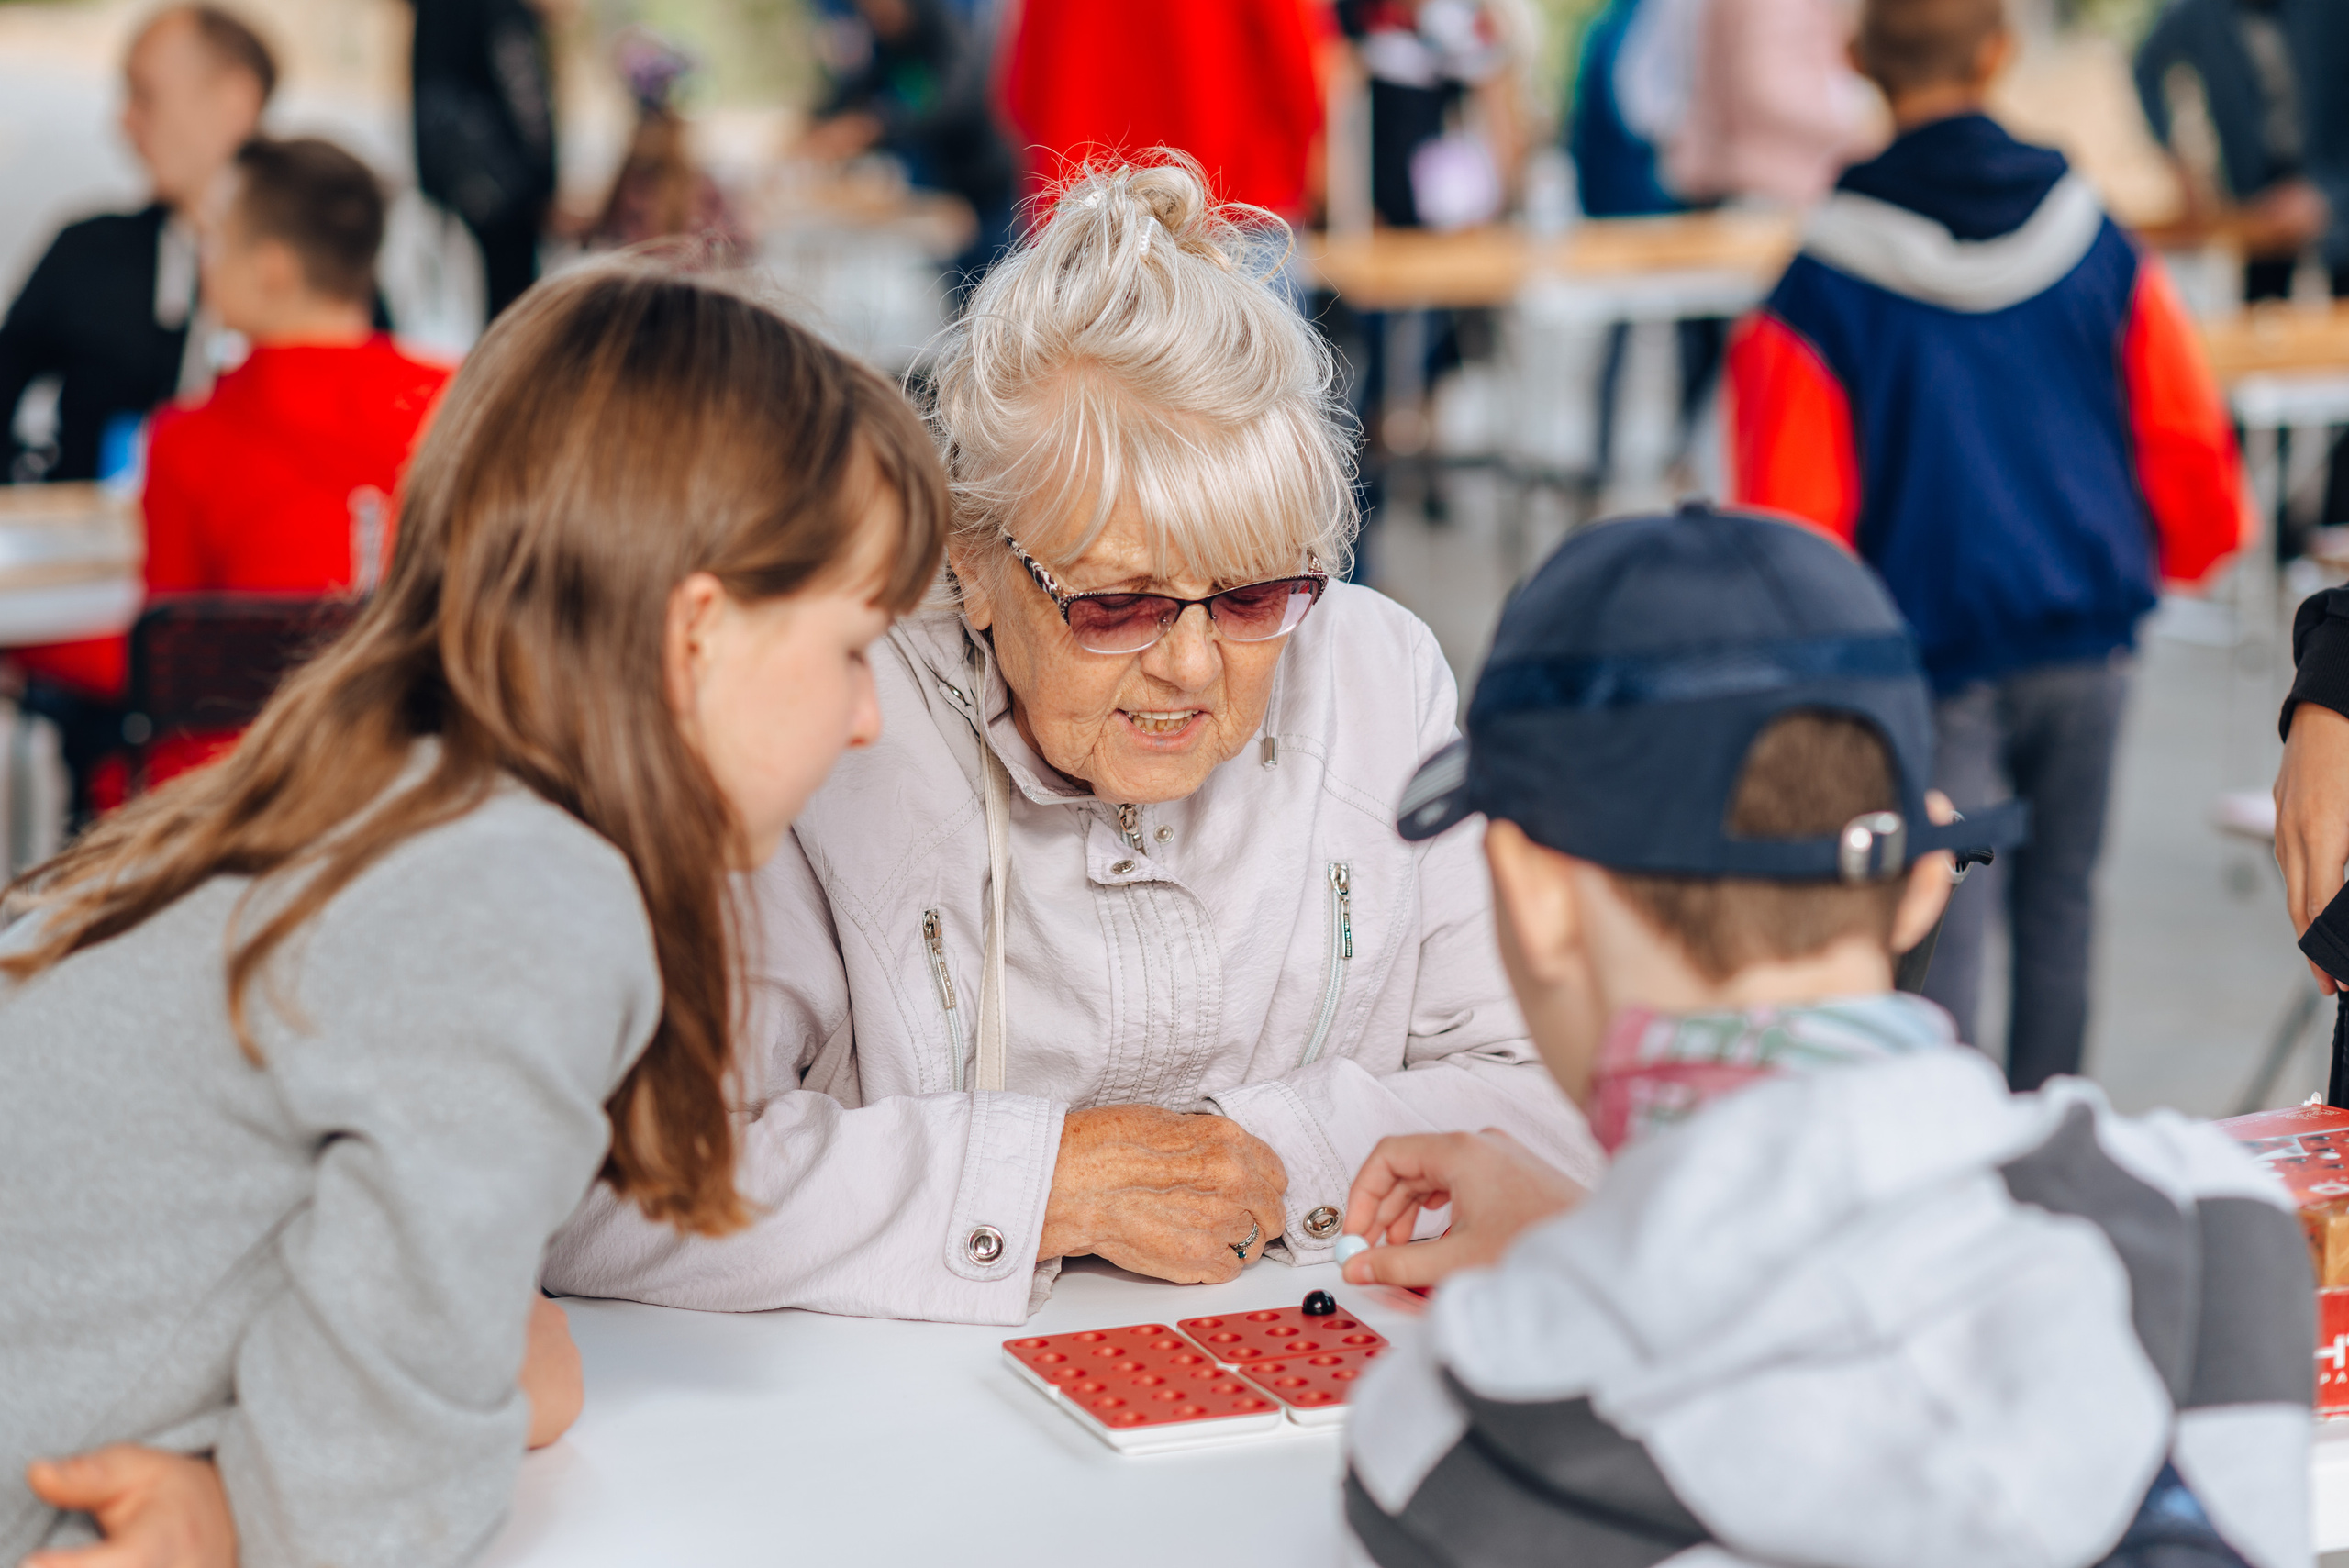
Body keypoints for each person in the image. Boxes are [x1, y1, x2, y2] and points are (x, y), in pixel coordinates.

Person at [543, 157, 1603, 1326]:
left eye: (1252, 595)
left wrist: (1249, 1151)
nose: (1190, 664)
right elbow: (611, 1184)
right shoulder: (832, 719)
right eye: (1117, 605)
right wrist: (1042, 1184)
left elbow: (1554, 1099)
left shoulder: (1374, 672)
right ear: (972, 565)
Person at [0, 263, 949, 1567]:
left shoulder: (391, 801)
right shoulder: (528, 896)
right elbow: (367, 1500)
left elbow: (458, 1349)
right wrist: (231, 1520)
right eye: (853, 645)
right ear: (697, 633)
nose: (868, 717)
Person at [1337, 504, 2308, 1568]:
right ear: (1921, 877)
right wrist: (1588, 1225)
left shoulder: (1459, 1423)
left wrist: (1586, 1246)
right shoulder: (2217, 1226)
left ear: (1534, 894)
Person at [1726, 0, 2248, 1090]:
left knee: (1936, 911)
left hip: (1929, 661)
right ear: (2001, 50)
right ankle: (2052, 1133)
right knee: (2063, 905)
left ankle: (1950, 1147)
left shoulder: (1820, 279)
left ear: (1858, 59)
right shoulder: (2095, 238)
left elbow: (1790, 514)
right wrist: (2193, 550)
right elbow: (2183, 427)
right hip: (2086, 638)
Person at [15, 136, 453, 795]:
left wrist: (24, 642)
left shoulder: (193, 440)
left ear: (271, 268)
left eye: (217, 239)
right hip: (415, 776)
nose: (204, 258)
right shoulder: (456, 401)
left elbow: (162, 662)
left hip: (237, 795)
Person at [0, 5, 274, 484]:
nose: (124, 122)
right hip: (93, 525)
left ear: (235, 102)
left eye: (145, 96)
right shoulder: (88, 253)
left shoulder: (316, 266)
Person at [802, 0, 1017, 295]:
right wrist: (820, 121)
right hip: (943, 185)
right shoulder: (888, 40)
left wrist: (876, 125)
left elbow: (956, 100)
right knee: (954, 290)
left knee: (996, 284)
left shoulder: (942, 28)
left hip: (985, 181)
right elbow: (863, 86)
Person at [408, 0, 557, 322]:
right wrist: (547, 183)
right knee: (513, 303)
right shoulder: (504, 13)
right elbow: (526, 98)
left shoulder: (436, 12)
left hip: (454, 178)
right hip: (511, 186)